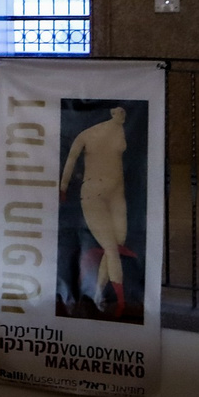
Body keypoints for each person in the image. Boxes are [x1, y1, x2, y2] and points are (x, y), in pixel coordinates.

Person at [58, 104, 132, 315]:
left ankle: (99, 294)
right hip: (93, 193)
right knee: (111, 248)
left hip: (117, 193)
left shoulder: (120, 129)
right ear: (109, 112)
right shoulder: (88, 134)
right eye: (117, 111)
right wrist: (63, 188)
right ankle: (120, 302)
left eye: (123, 112)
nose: (121, 115)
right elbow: (71, 159)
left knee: (117, 244)